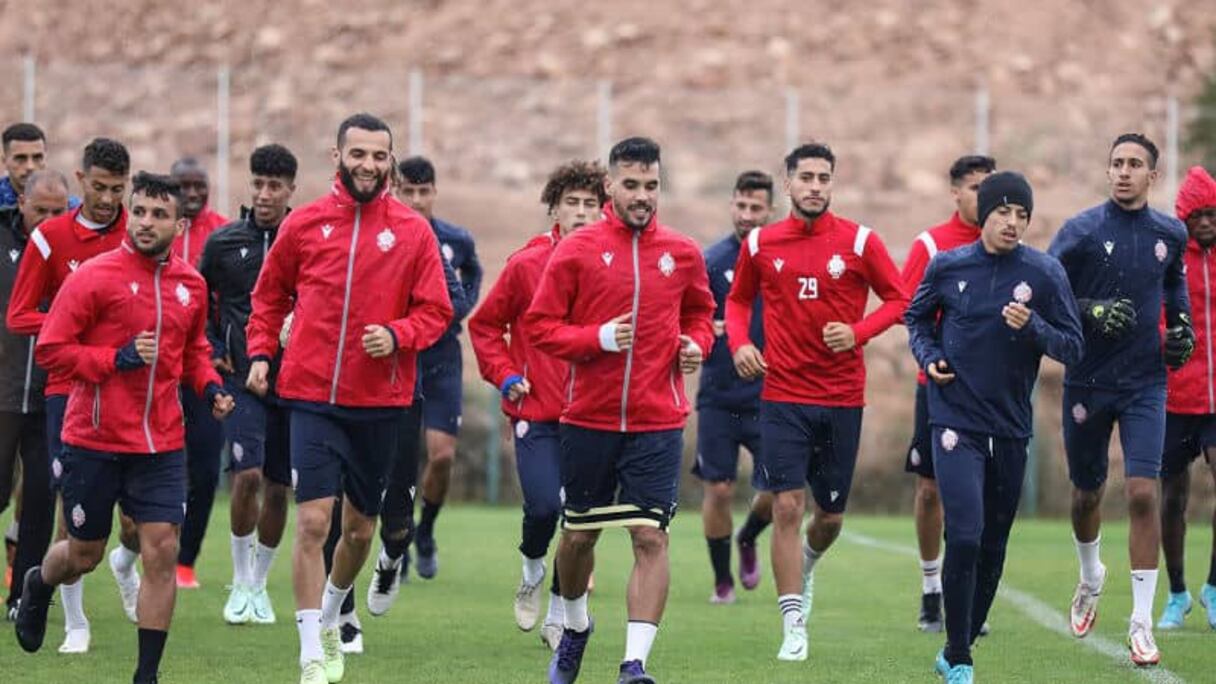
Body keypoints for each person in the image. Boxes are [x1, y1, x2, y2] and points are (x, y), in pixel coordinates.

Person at [244, 113, 452, 684]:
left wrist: (398, 335)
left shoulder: (411, 232)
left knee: (360, 531)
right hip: (309, 396)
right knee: (313, 522)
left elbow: (436, 311)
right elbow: (269, 297)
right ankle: (310, 650)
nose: (368, 165)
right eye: (357, 154)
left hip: (382, 404)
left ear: (390, 160)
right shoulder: (305, 225)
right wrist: (262, 353)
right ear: (337, 157)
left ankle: (334, 613)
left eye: (378, 156)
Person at [13, 171, 234, 684]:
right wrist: (117, 358)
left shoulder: (191, 286)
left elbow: (196, 351)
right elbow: (50, 348)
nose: (145, 222)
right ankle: (38, 581)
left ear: (179, 226)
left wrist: (209, 387)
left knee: (161, 547)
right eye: (139, 212)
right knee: (85, 553)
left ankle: (146, 675)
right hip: (94, 440)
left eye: (159, 215)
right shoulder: (93, 276)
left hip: (160, 443)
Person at [524, 137, 715, 684]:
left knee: (650, 537)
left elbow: (702, 313)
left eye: (651, 186)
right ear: (609, 186)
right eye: (631, 185)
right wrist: (598, 338)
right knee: (579, 538)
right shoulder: (577, 250)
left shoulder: (681, 252)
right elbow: (540, 327)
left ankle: (634, 665)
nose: (642, 196)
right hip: (588, 419)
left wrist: (696, 343)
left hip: (658, 422)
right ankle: (577, 627)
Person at [726, 142, 908, 661]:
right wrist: (740, 343)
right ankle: (792, 624)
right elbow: (737, 301)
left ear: (832, 183)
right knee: (786, 505)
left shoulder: (860, 241)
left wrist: (858, 331)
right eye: (805, 177)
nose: (814, 186)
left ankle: (806, 566)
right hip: (782, 394)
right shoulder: (761, 243)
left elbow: (898, 299)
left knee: (828, 518)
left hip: (842, 398)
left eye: (823, 178)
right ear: (787, 184)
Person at [907, 171, 1084, 684]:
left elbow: (1073, 347)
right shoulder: (948, 265)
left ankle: (959, 639)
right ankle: (960, 656)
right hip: (953, 421)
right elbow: (916, 319)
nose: (1013, 222)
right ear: (984, 214)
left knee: (993, 544)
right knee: (964, 533)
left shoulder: (1044, 273)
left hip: (1009, 429)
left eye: (1022, 215)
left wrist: (1033, 326)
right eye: (1003, 212)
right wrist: (931, 354)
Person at [1048, 133, 1193, 666]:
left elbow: (1175, 289)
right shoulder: (1081, 230)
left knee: (1141, 493)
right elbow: (1048, 286)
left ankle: (1141, 623)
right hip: (1087, 381)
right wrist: (1090, 308)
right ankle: (1091, 577)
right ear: (1107, 171)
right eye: (1117, 163)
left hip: (1145, 383)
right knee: (1087, 494)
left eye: (1135, 164)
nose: (1124, 171)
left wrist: (1181, 330)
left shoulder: (1169, 233)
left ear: (1152, 176)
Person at [6, 137, 139, 653]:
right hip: (71, 389)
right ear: (82, 181)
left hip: (134, 390)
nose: (108, 199)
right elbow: (19, 316)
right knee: (75, 506)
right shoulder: (51, 238)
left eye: (117, 189)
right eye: (99, 187)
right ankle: (76, 621)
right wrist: (74, 328)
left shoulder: (141, 233)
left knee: (138, 522)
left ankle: (125, 564)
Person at [469, 159, 607, 648]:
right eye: (573, 203)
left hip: (596, 416)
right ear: (555, 208)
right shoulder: (527, 265)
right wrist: (506, 375)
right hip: (539, 413)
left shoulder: (614, 267)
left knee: (582, 523)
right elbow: (484, 326)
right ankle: (531, 570)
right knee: (546, 507)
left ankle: (556, 610)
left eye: (592, 204)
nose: (583, 213)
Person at [198, 144, 298, 624]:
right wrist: (214, 346)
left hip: (295, 385)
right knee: (248, 476)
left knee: (279, 490)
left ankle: (260, 584)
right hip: (240, 381)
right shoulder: (222, 243)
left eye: (274, 186)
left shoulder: (305, 241)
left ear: (290, 191)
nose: (264, 194)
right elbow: (199, 304)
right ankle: (239, 580)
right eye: (257, 183)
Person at [899, 155, 996, 631]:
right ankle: (932, 587)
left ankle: (971, 591)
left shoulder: (1006, 246)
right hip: (937, 389)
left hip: (991, 393)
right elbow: (909, 310)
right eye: (975, 187)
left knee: (981, 492)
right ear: (955, 192)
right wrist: (931, 356)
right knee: (932, 489)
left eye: (991, 186)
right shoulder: (930, 245)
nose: (985, 196)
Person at [395, 156, 483, 579]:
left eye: (422, 192)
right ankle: (399, 538)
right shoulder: (387, 236)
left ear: (433, 193)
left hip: (442, 357)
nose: (415, 200)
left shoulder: (455, 239)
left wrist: (458, 308)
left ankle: (425, 530)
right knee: (399, 458)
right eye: (407, 192)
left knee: (442, 455)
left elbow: (473, 274)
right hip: (399, 357)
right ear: (396, 193)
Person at [695, 170, 776, 604]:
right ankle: (722, 578)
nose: (746, 215)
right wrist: (708, 327)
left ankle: (748, 537)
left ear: (770, 211)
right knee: (720, 489)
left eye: (755, 208)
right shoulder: (710, 262)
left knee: (776, 489)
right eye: (740, 206)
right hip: (719, 396)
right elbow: (688, 319)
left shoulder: (780, 258)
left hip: (771, 396)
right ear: (731, 206)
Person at [1, 170, 68, 619]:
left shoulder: (74, 251)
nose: (47, 219)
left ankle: (23, 596)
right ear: (21, 201)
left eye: (57, 211)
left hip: (50, 397)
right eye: (40, 209)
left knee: (43, 497)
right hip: (2, 395)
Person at [1157, 165, 1216, 630]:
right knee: (1173, 496)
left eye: (1214, 214)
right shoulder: (1169, 259)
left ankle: (1213, 586)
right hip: (1176, 396)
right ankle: (1177, 593)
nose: (1208, 223)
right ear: (1184, 218)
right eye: (1200, 215)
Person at [169, 157, 230, 589]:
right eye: (184, 186)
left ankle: (185, 560)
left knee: (206, 467)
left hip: (205, 366)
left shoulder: (224, 233)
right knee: (158, 463)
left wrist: (225, 349)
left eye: (199, 186)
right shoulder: (156, 230)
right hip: (158, 370)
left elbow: (235, 300)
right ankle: (144, 545)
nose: (192, 193)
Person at [0, 123, 80, 209]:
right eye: (21, 159)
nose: (30, 167)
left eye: (37, 158)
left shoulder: (70, 208)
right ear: (4, 161)